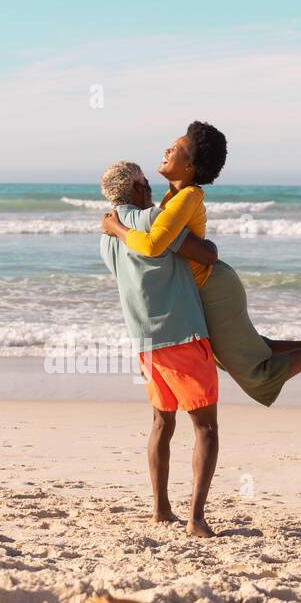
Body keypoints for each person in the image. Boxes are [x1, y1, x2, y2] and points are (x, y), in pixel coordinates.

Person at [102, 121, 301, 407]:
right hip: (207, 288)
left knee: (256, 373)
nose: (168, 149)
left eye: (178, 148)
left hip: (212, 291)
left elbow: (152, 245)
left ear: (190, 166)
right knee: (251, 349)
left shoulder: (188, 195)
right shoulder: (171, 198)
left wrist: (116, 228)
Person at [98, 161, 219, 537]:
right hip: (182, 334)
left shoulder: (106, 237)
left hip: (146, 343)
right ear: (135, 187)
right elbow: (207, 254)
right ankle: (196, 519)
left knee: (161, 422)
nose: (149, 184)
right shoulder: (154, 220)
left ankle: (161, 509)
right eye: (144, 180)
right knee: (206, 429)